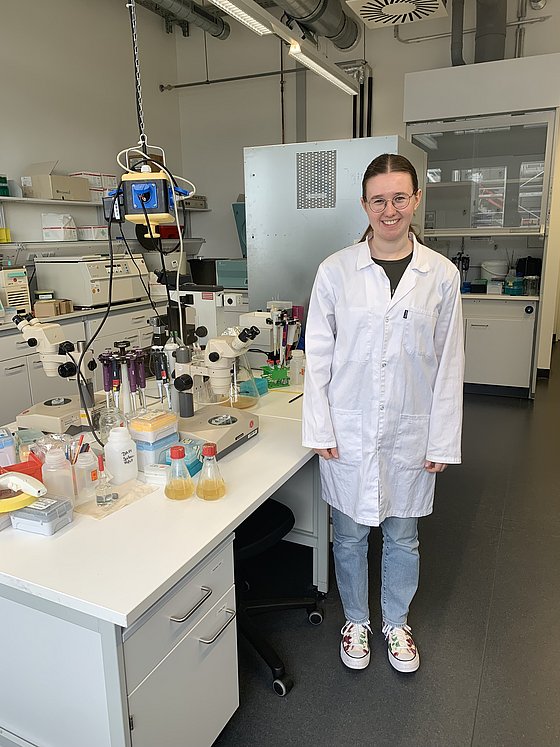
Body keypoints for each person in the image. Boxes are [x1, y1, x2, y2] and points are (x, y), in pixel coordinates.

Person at [302, 153, 464, 673]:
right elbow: (319, 357)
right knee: (348, 535)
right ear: (365, 204)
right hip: (348, 428)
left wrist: (441, 440)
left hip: (409, 431)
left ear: (416, 200)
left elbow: (449, 364)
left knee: (402, 535)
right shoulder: (335, 271)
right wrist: (320, 426)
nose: (389, 210)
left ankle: (396, 621)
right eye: (379, 200)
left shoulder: (440, 275)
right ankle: (356, 620)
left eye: (399, 198)